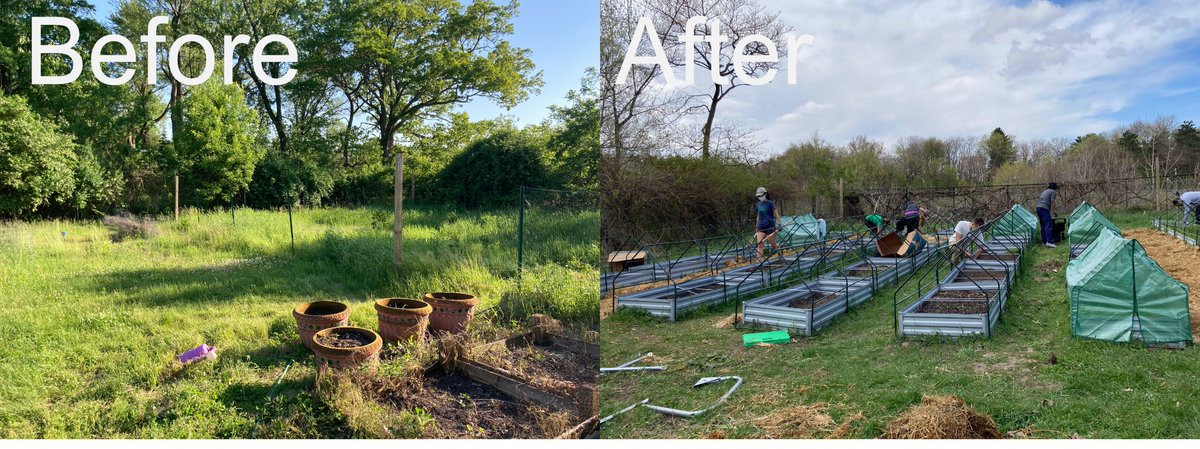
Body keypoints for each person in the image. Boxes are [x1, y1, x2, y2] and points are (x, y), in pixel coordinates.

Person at [753, 187, 781, 259]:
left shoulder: (770, 203)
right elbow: (758, 215)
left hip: (770, 226)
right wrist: (756, 226)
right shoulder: (758, 204)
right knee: (759, 245)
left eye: (761, 195)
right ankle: (759, 262)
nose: (760, 197)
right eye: (758, 196)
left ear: (765, 194)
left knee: (773, 245)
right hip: (761, 227)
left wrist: (779, 224)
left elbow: (776, 213)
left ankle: (779, 255)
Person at [1036, 182, 1059, 248]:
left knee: (1043, 225)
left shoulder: (1044, 192)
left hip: (1038, 208)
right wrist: (1054, 211)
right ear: (1055, 188)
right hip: (1044, 208)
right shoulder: (1053, 192)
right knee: (1048, 225)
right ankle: (1050, 242)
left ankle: (1044, 241)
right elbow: (1052, 201)